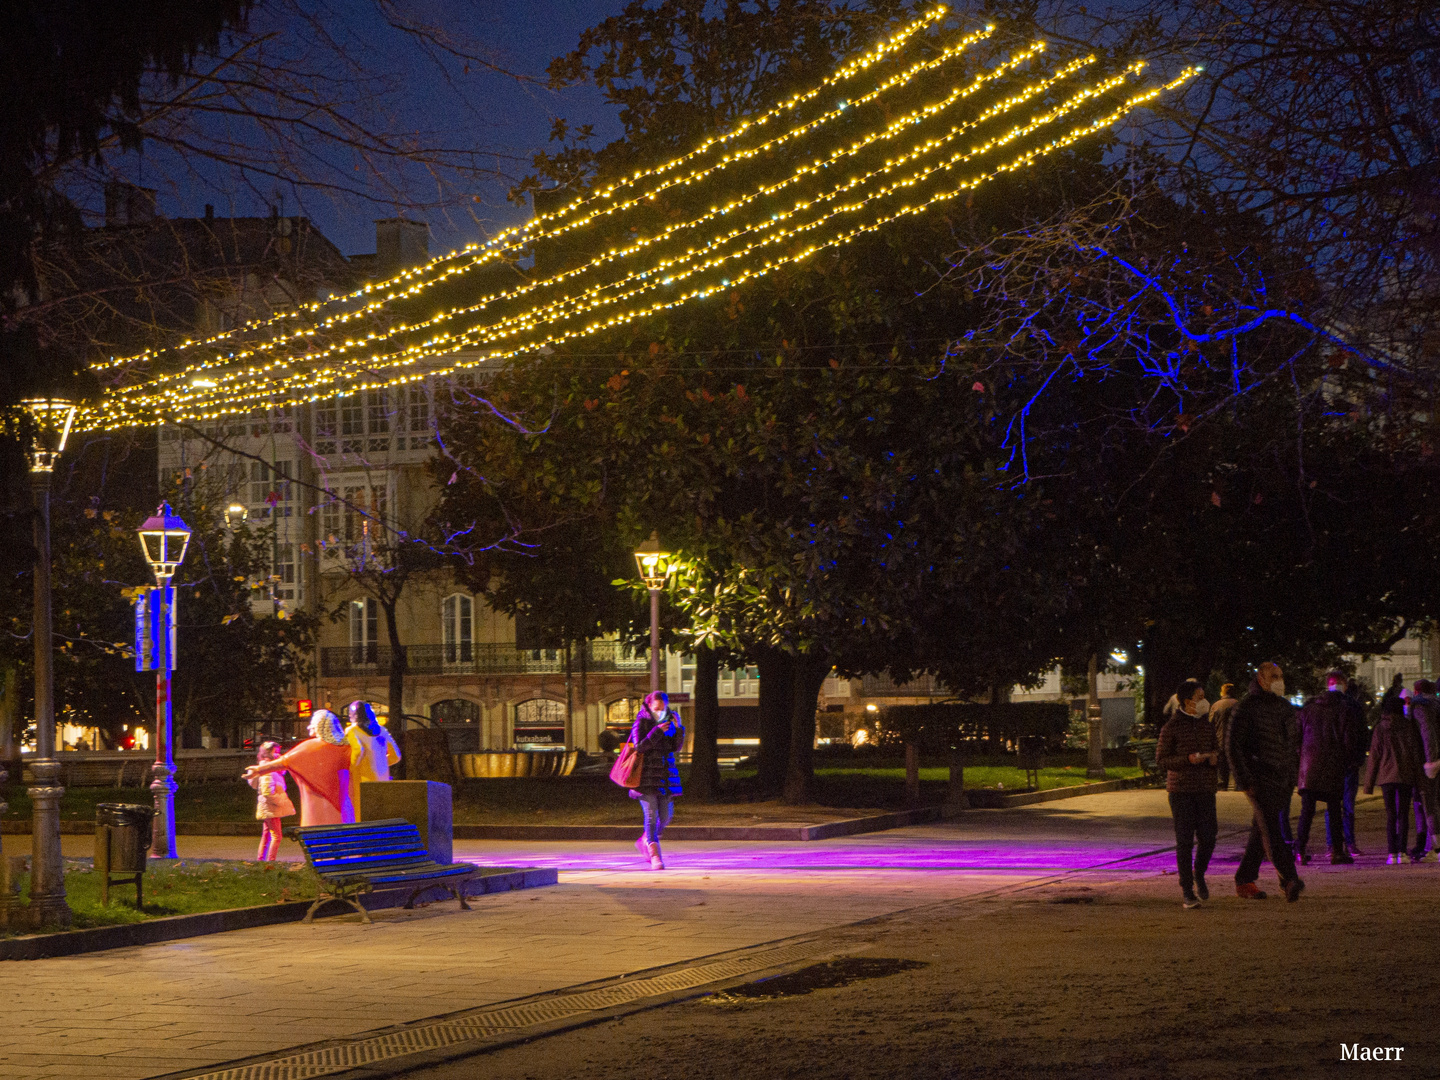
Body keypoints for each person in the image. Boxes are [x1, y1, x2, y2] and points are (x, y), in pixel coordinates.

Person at [1227, 662, 1304, 901]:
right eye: (1274, 676)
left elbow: (1293, 744)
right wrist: (1244, 779)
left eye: (1281, 676)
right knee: (1271, 829)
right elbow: (1232, 746)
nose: (1279, 680)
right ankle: (1289, 879)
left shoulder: (1284, 707)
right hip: (1258, 778)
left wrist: (1292, 774)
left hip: (1282, 778)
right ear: (1261, 679)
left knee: (1261, 829)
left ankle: (1244, 879)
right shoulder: (1246, 707)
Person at [1294, 669, 1367, 866]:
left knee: (1307, 811)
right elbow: (1349, 740)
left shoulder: (1309, 709)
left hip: (1309, 767)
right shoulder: (1345, 709)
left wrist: (1302, 759)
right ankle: (1337, 851)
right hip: (1333, 767)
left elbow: (1297, 737)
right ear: (1343, 685)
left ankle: (1300, 850)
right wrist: (1350, 761)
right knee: (1335, 809)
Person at [1157, 679, 1219, 908]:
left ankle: (1199, 872)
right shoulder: (1171, 727)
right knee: (1184, 841)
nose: (1204, 702)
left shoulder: (1206, 724)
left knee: (1209, 837)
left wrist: (1213, 758)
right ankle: (1187, 890)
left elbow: (1216, 748)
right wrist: (1187, 760)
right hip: (1181, 790)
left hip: (1205, 788)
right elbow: (1161, 760)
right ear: (1187, 702)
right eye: (1199, 698)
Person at [244, 710, 355, 826]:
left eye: (312, 723)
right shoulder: (346, 748)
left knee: (317, 834)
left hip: (316, 808)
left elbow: (285, 761)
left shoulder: (310, 747)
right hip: (343, 808)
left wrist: (259, 770)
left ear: (320, 725)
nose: (308, 727)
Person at [1363, 688, 1424, 864]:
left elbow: (1374, 757)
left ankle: (1392, 853)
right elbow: (1415, 754)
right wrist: (1420, 780)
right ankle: (1403, 852)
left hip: (1386, 777)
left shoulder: (1380, 729)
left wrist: (1369, 784)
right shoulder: (1408, 727)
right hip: (1405, 776)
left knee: (1391, 815)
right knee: (1403, 814)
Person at [629, 690, 684, 870]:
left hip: (665, 777)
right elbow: (639, 746)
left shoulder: (668, 722)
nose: (659, 711)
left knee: (666, 816)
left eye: (663, 708)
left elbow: (675, 747)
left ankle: (645, 839)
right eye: (656, 708)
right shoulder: (641, 722)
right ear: (649, 706)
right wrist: (656, 731)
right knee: (651, 817)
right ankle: (655, 855)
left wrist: (679, 727)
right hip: (645, 778)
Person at [1329, 678, 1370, 855]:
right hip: (1345, 762)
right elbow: (1363, 735)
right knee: (1345, 805)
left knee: (1336, 806)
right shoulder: (1353, 706)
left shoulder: (1321, 706)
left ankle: (1335, 844)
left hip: (1336, 763)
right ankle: (1345, 843)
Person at [344, 700, 402, 818]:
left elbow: (358, 750)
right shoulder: (382, 730)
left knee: (362, 813)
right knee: (381, 812)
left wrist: (351, 768)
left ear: (353, 715)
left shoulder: (352, 730)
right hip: (383, 778)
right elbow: (396, 756)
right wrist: (382, 763)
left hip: (362, 779)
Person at [1408, 679, 1440, 861]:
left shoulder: (1421, 706)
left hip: (1429, 764)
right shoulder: (1436, 705)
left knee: (1429, 804)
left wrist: (1430, 761)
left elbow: (1427, 734)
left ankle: (1435, 848)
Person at [248, 741, 297, 861]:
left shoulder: (268, 768)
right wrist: (280, 801)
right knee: (277, 836)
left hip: (269, 806)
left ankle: (261, 860)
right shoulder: (267, 770)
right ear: (268, 753)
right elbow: (267, 792)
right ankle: (271, 862)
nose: (278, 754)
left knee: (267, 834)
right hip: (271, 806)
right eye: (276, 752)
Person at [1210, 683, 1240, 790]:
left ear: (1222, 692)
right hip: (1235, 739)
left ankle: (1223, 785)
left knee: (1222, 764)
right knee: (1235, 762)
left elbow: (1211, 723)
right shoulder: (1238, 704)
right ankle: (1238, 785)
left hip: (1220, 738)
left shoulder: (1216, 705)